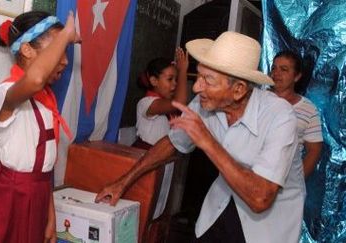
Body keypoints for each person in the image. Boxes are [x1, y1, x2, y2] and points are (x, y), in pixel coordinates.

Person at [96, 31, 304, 243]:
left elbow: (261, 197)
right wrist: (123, 182)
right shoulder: (204, 104)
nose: (196, 87)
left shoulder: (281, 117)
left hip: (267, 226)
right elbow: (171, 143)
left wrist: (207, 141)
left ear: (238, 89)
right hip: (222, 204)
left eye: (208, 80)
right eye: (199, 76)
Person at [0, 11, 80, 243]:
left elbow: (44, 170)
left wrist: (51, 216)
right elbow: (35, 79)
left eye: (64, 50)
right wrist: (66, 33)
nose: (65, 60)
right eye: (57, 48)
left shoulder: (47, 102)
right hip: (10, 199)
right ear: (27, 50)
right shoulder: (5, 93)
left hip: (38, 196)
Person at [133, 48, 188, 221]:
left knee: (158, 212)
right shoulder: (146, 103)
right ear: (154, 80)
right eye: (170, 79)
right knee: (144, 212)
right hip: (148, 164)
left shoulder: (164, 107)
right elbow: (178, 103)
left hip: (163, 163)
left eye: (176, 80)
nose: (174, 85)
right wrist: (184, 71)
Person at [270, 50, 323, 178]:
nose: (276, 73)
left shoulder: (308, 109)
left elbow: (314, 150)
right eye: (274, 68)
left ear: (297, 76)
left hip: (286, 183)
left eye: (284, 69)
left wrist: (296, 182)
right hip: (250, 177)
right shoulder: (257, 99)